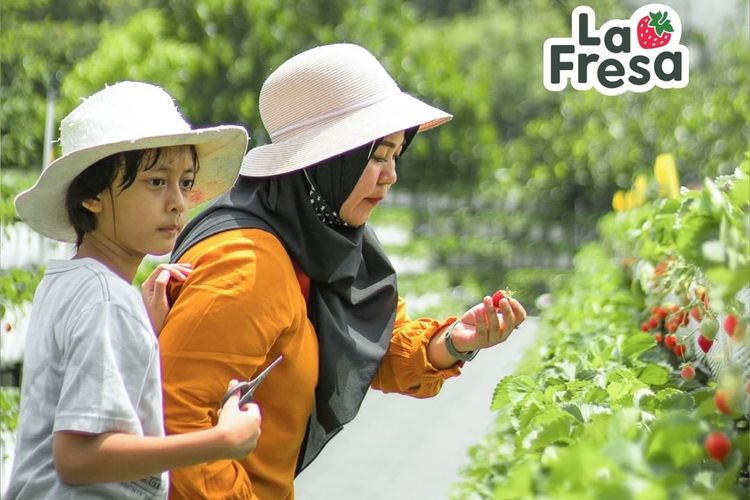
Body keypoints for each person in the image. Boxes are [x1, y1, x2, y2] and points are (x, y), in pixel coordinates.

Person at [158, 43, 527, 499]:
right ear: (326, 163)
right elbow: (177, 411)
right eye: (376, 156)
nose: (391, 175)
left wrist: (452, 341)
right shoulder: (247, 264)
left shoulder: (320, 242)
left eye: (396, 155)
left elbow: (369, 344)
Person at [7, 81, 262, 500]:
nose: (178, 202)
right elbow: (78, 457)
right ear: (92, 195)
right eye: (156, 183)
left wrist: (142, 331)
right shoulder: (108, 299)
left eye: (185, 182)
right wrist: (221, 441)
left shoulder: (70, 283)